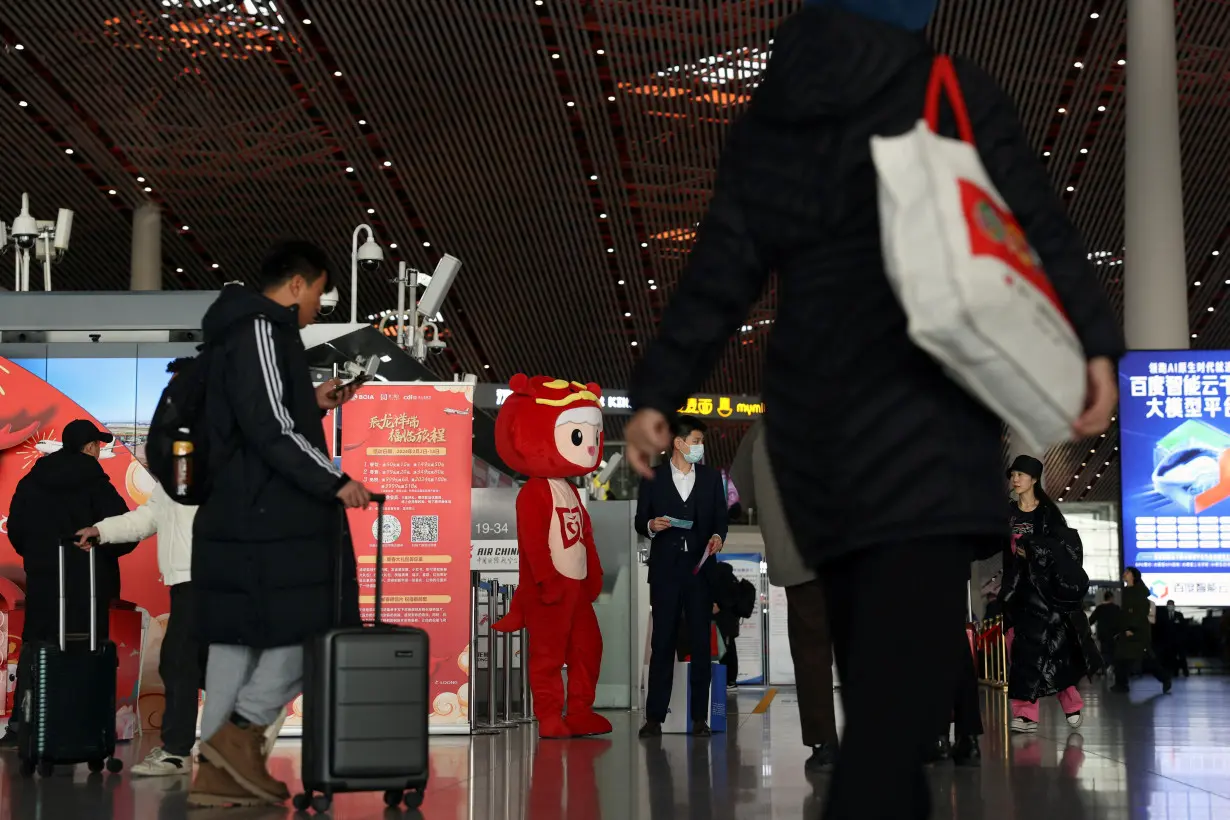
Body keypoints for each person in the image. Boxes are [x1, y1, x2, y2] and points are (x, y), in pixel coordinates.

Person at [621, 0, 1121, 815]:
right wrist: (1093, 339)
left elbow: (724, 261)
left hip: (818, 430)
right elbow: (1033, 220)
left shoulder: (776, 113)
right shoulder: (946, 91)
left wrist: (660, 393)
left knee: (878, 670)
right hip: (926, 411)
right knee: (909, 691)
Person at [187, 241, 374, 807]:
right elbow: (270, 426)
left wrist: (312, 402)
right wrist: (333, 480)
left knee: (235, 640)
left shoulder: (232, 331)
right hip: (269, 519)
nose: (318, 305)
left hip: (236, 514)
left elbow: (254, 418)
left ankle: (216, 777)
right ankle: (237, 735)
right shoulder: (264, 329)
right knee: (315, 629)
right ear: (298, 284)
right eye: (319, 293)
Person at [72, 359, 201, 777]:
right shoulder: (181, 462)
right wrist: (101, 530)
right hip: (188, 581)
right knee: (187, 664)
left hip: (219, 579)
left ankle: (193, 749)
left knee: (190, 663)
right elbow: (150, 516)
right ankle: (200, 749)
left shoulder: (226, 450)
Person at [1, 420, 137, 746]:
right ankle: (81, 732)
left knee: (36, 647)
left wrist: (39, 558)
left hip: (46, 582)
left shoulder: (33, 479)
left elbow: (17, 529)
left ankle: (23, 727)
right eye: (99, 446)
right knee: (86, 653)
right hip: (90, 584)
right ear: (89, 447)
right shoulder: (96, 482)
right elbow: (122, 531)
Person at [730, 419, 838, 773]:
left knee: (811, 650)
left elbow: (736, 493)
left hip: (797, 555)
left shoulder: (761, 432)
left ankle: (824, 745)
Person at [635, 416, 728, 738]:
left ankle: (699, 718)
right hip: (665, 571)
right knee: (662, 643)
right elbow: (640, 521)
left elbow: (720, 518)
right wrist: (651, 526)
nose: (700, 448)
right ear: (679, 442)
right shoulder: (653, 478)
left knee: (701, 644)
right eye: (697, 441)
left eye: (700, 443)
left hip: (700, 571)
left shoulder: (712, 478)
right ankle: (654, 718)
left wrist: (718, 536)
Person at [1003, 455, 1100, 733]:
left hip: (1046, 594)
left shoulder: (1048, 514)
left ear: (1034, 479)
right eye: (1013, 475)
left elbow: (1067, 548)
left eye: (1021, 474)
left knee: (1054, 651)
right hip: (1017, 593)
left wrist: (1033, 548)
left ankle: (1070, 701)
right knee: (1020, 653)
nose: (1016, 479)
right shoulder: (1006, 513)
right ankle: (1025, 715)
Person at [1113, 568, 1172, 695]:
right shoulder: (1126, 591)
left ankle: (1165, 678)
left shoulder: (1139, 592)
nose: (1125, 574)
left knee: (1145, 660)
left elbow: (1141, 612)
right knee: (1120, 658)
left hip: (1137, 632)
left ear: (1134, 576)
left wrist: (1132, 628)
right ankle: (1121, 684)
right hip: (1127, 631)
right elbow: (1125, 613)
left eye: (1128, 572)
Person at [710, 560, 741, 688]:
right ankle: (729, 681)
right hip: (730, 625)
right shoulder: (733, 581)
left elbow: (720, 605)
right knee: (728, 651)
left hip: (724, 625)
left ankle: (728, 681)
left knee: (725, 653)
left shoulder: (724, 583)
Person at [1089, 591, 1122, 681]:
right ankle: (1113, 668)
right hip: (1114, 634)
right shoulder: (1116, 608)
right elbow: (1121, 620)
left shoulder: (1100, 608)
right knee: (1113, 651)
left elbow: (1091, 620)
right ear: (1111, 598)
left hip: (1103, 634)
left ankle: (1104, 669)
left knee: (1104, 652)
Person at [1159, 600, 1190, 678]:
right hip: (1167, 641)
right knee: (1169, 657)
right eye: (1169, 605)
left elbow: (1183, 627)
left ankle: (1185, 672)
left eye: (1171, 605)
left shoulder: (1179, 615)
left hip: (1178, 641)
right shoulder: (1163, 616)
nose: (1170, 607)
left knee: (1182, 657)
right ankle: (1173, 672)